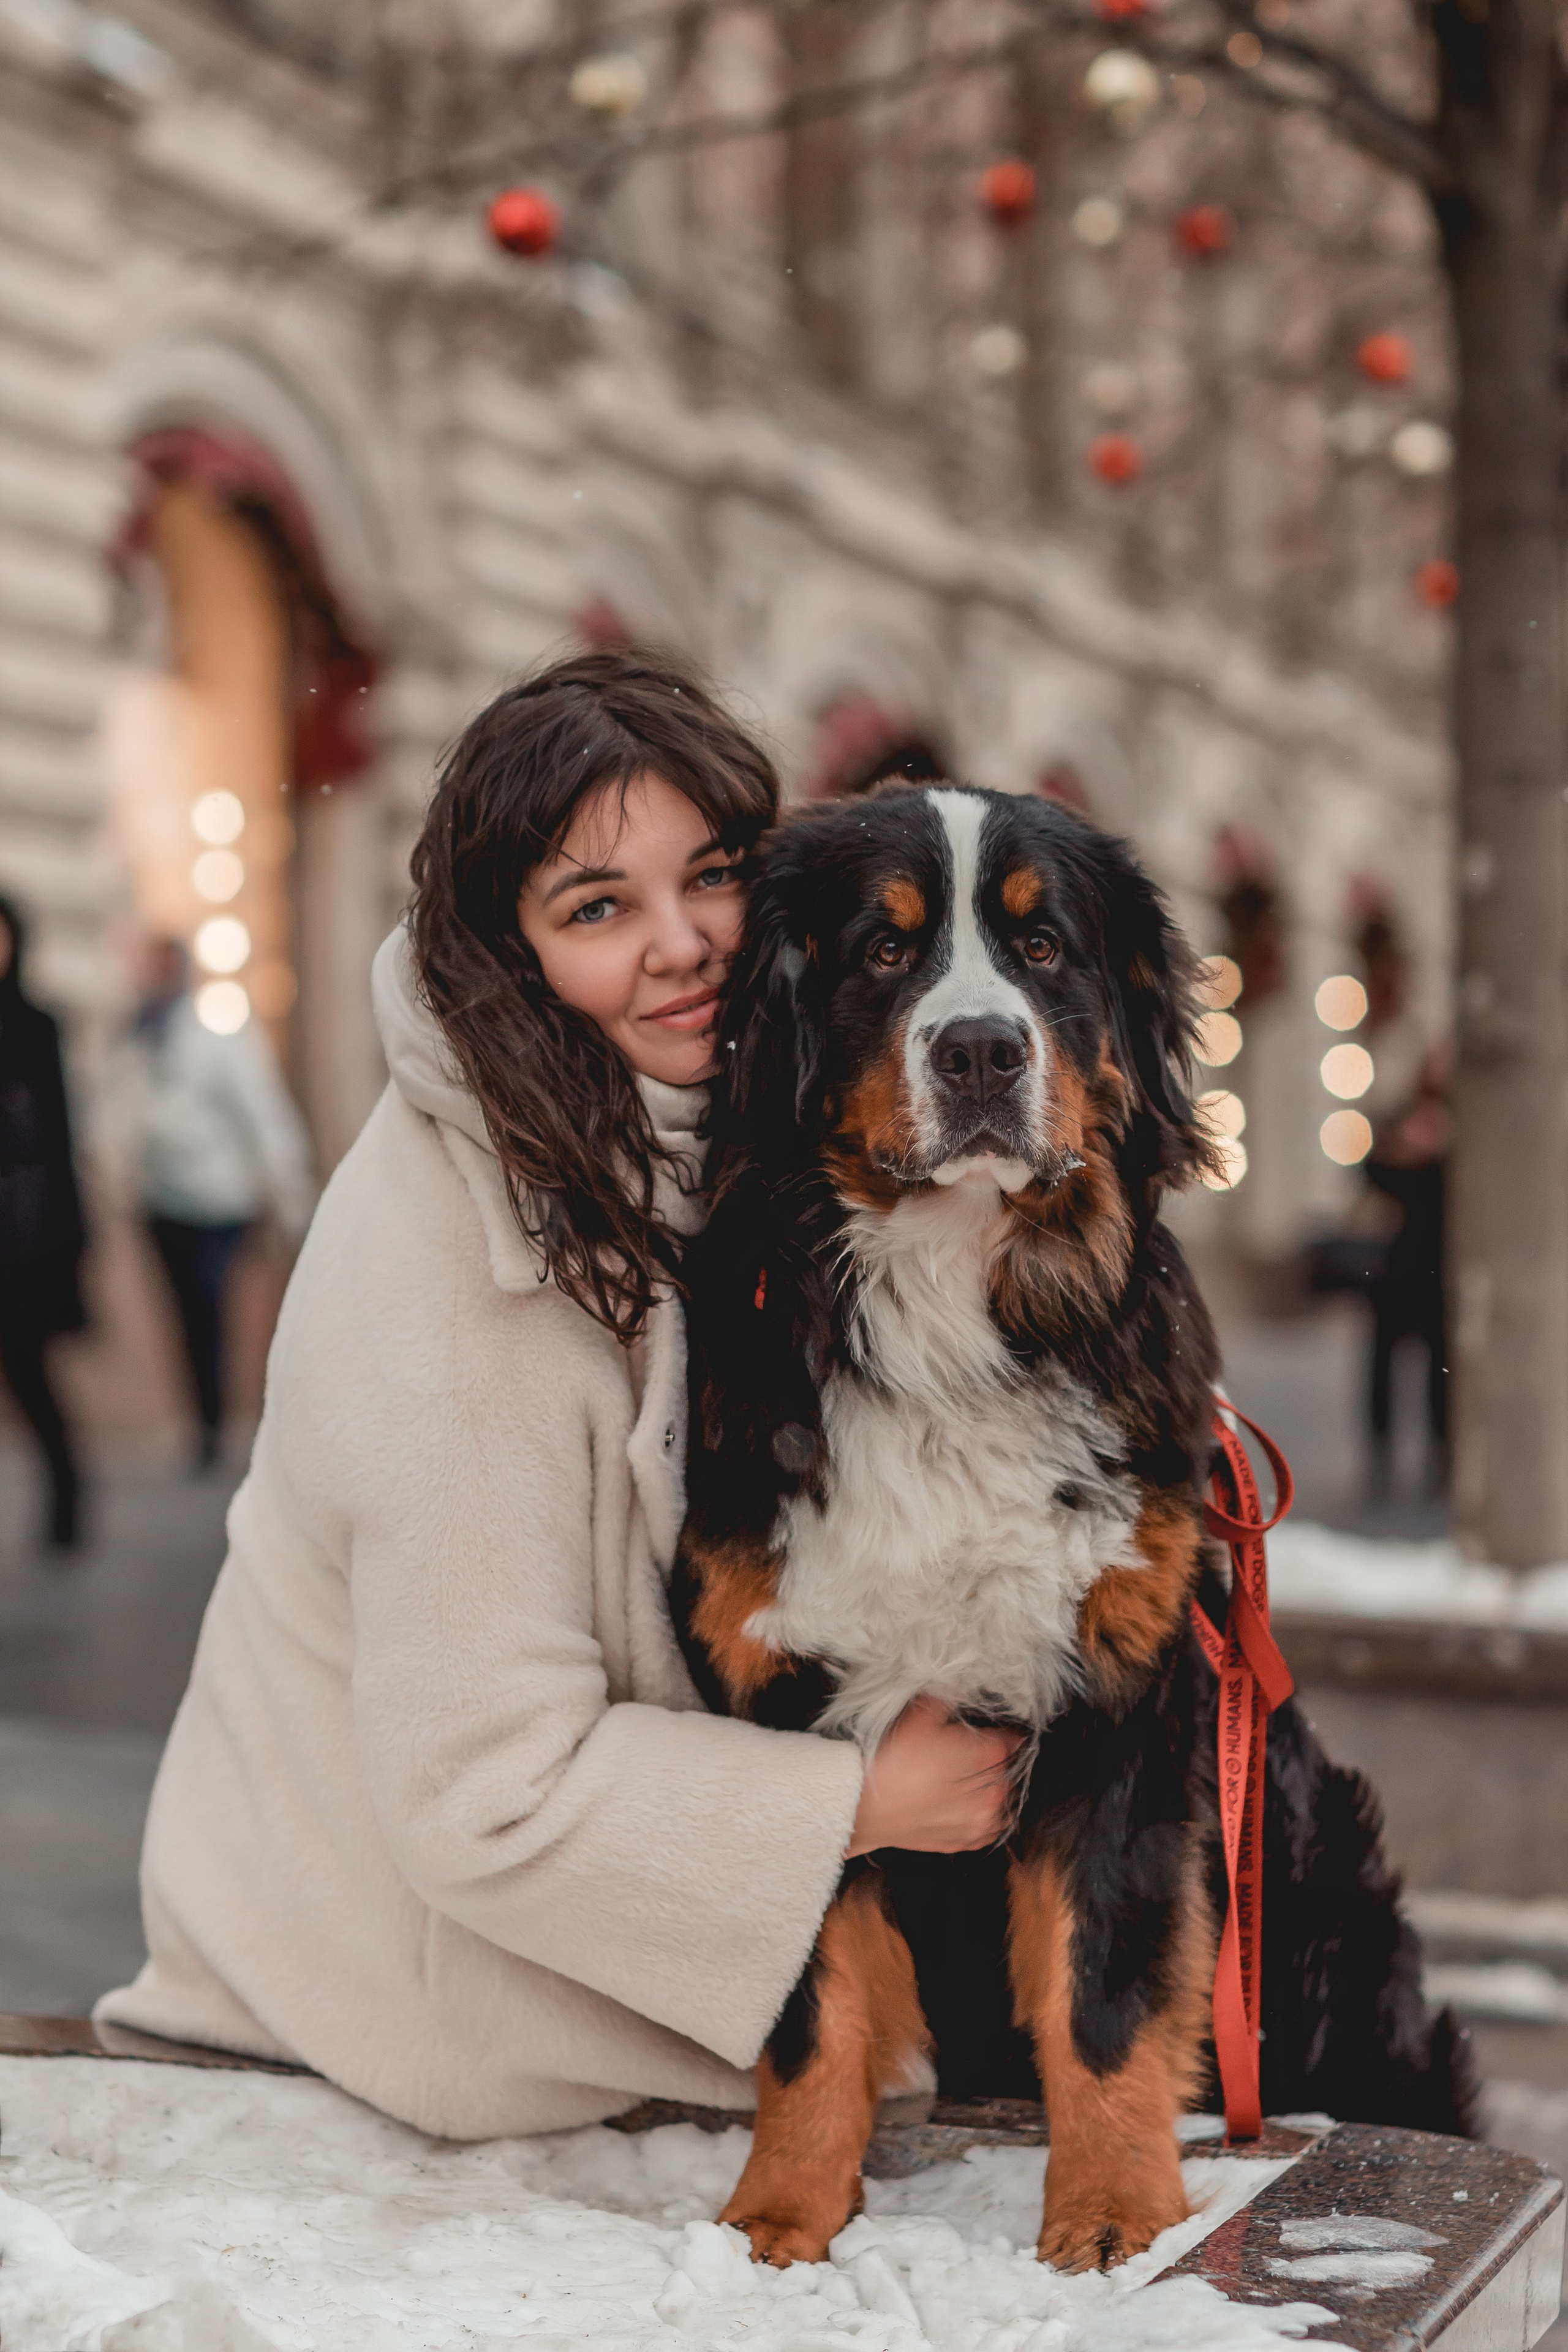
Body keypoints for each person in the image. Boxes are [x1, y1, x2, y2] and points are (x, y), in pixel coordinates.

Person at [97, 648, 1018, 2139]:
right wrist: (859, 1801)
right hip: (396, 2045)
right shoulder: (448, 1254)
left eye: (710, 875)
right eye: (597, 907)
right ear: (504, 953)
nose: (682, 945)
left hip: (588, 2013)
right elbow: (486, 1788)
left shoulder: (712, 1143)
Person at [116, 938, 315, 1469]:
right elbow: (122, 1118)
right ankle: (202, 1419)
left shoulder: (217, 1036)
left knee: (211, 1309)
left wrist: (290, 1195)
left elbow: (263, 1112)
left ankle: (220, 1420)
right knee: (182, 1314)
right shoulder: (136, 1038)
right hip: (161, 1203)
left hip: (217, 1204)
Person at [0, 892, 86, 1551]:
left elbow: (60, 1139)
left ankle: (67, 1497)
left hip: (24, 1234)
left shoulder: (37, 1026)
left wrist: (70, 1236)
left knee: (29, 1373)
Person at [1364, 1048, 1450, 1495]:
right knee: (1383, 1366)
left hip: (1441, 1265)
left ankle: (1442, 1455)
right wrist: (1401, 1150)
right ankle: (1381, 1450)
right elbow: (1370, 1174)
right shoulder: (1400, 1120)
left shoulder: (1462, 1126)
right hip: (1396, 1265)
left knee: (1441, 1369)